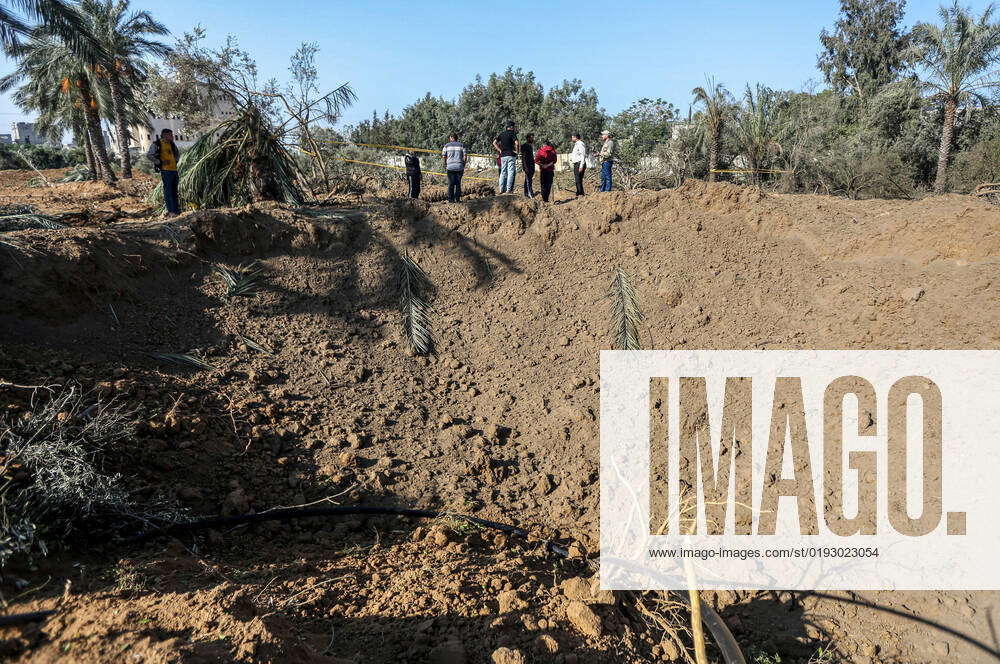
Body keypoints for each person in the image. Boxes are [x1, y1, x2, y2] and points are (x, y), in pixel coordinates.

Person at [147, 128, 181, 216]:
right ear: (165, 135)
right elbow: (149, 155)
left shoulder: (172, 144)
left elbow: (177, 154)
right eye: (170, 135)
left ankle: (176, 211)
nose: (172, 137)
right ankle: (171, 211)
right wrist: (160, 162)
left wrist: (175, 161)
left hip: (174, 170)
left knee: (174, 191)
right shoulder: (157, 144)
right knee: (168, 191)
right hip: (166, 171)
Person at [493, 121, 519, 194]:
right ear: (511, 127)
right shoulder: (513, 133)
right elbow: (517, 143)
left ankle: (501, 190)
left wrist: (500, 150)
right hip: (511, 155)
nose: (514, 128)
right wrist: (517, 151)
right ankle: (508, 190)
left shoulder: (501, 134)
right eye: (514, 127)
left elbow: (494, 143)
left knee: (503, 172)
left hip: (503, 156)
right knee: (510, 172)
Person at [441, 133, 467, 203]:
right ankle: (458, 199)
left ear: (452, 138)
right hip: (459, 167)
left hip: (450, 167)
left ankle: (451, 200)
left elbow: (444, 156)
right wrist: (463, 164)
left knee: (451, 183)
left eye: (450, 138)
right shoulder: (462, 145)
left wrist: (445, 164)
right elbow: (465, 156)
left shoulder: (446, 146)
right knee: (458, 183)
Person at [570, 132, 587, 197]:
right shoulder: (577, 144)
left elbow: (583, 155)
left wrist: (581, 166)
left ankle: (580, 193)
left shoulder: (580, 143)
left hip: (579, 164)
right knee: (578, 179)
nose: (572, 138)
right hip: (577, 164)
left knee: (578, 179)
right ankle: (579, 192)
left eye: (572, 137)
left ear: (575, 137)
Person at [520, 133, 536, 198]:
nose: (532, 139)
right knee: (528, 179)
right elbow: (523, 157)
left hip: (532, 165)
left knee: (529, 179)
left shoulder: (531, 146)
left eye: (533, 137)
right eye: (531, 137)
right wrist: (525, 167)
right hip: (527, 165)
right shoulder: (524, 146)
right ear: (528, 138)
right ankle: (530, 193)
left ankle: (526, 193)